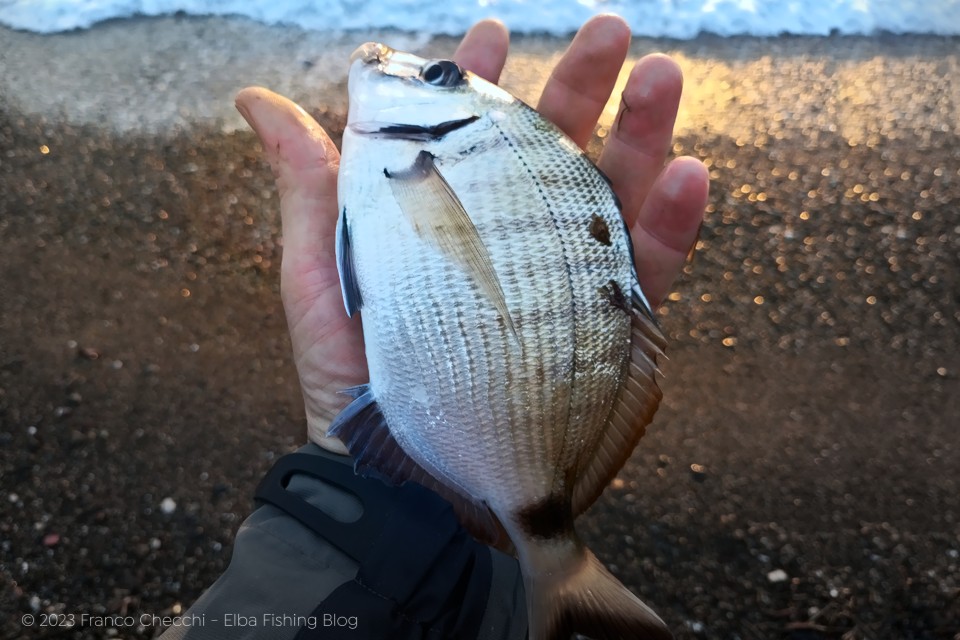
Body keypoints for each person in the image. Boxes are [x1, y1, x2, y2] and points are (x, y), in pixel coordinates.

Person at [160, 14, 708, 640]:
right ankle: (547, 557)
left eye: (438, 76)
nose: (386, 61)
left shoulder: (429, 155)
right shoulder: (432, 151)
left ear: (461, 117)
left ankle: (548, 558)